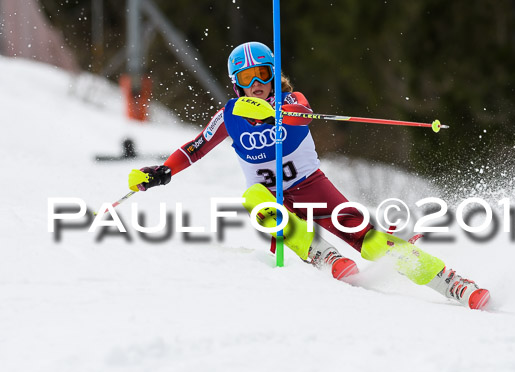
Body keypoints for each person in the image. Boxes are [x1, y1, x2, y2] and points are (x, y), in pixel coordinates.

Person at [128, 41, 490, 310]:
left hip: (312, 188)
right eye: (247, 78)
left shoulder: (290, 102)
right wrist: (163, 172)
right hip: (274, 206)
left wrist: (276, 114)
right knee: (253, 196)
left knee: (373, 241)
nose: (257, 83)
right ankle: (321, 254)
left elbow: (301, 112)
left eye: (263, 74)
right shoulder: (229, 116)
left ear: (273, 75)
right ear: (236, 84)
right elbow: (195, 148)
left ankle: (451, 282)